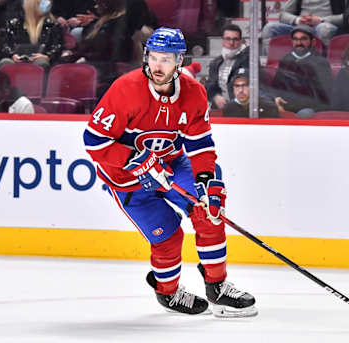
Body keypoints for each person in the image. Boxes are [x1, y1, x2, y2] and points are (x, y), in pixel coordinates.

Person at [83, 27, 257, 317]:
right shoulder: (125, 90)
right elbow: (94, 142)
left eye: (166, 58)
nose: (158, 65)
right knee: (168, 238)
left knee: (210, 211)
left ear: (180, 61)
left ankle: (218, 285)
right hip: (128, 180)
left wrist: (205, 180)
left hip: (172, 165)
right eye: (153, 57)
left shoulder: (194, 93)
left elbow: (200, 143)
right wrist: (134, 159)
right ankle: (168, 293)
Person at [265, 25, 333, 117]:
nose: (299, 43)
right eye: (295, 39)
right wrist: (276, 99)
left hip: (310, 109)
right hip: (286, 106)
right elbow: (276, 87)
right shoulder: (286, 60)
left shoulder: (321, 63)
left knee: (304, 114)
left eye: (303, 39)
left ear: (312, 42)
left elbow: (324, 97)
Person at [0, 0, 63, 69]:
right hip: (17, 57)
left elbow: (57, 46)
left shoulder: (52, 25)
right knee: (5, 62)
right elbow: (5, 44)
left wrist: (48, 56)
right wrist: (12, 55)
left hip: (39, 58)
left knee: (41, 62)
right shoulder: (14, 24)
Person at [261, 0, 345, 49]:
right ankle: (272, 65)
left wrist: (321, 20)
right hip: (300, 26)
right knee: (270, 27)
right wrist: (298, 20)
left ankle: (322, 64)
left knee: (324, 28)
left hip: (323, 25)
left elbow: (348, 17)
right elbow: (283, 14)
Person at [205, 24, 249, 110]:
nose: (231, 43)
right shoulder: (215, 62)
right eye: (228, 39)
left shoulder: (249, 59)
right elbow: (210, 85)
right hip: (220, 109)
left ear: (241, 41)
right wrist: (215, 96)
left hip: (243, 108)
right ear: (222, 41)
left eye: (235, 39)